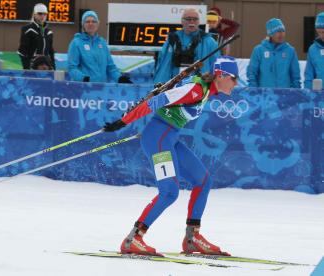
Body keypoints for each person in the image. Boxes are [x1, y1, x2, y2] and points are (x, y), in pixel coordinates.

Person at [103, 56, 239, 256]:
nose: (236, 83)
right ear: (221, 75)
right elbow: (156, 101)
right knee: (169, 192)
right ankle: (133, 238)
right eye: (234, 78)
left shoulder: (206, 90)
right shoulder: (196, 89)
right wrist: (124, 122)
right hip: (157, 139)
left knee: (203, 180)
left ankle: (192, 238)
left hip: (169, 138)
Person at [153, 9, 219, 84]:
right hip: (174, 86)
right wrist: (161, 84)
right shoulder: (172, 40)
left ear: (199, 22)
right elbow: (164, 66)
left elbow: (216, 66)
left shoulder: (209, 41)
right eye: (188, 19)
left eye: (195, 19)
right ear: (182, 21)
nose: (192, 21)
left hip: (200, 86)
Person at [67, 10, 132, 83]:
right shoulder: (76, 43)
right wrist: (83, 78)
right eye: (87, 21)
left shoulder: (102, 43)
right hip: (84, 88)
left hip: (101, 88)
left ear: (98, 24)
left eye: (93, 21)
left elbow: (110, 67)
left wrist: (120, 78)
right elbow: (72, 68)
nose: (90, 24)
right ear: (83, 24)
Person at [247, 18, 300, 88]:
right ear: (270, 34)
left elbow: (295, 76)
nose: (281, 34)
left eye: (283, 31)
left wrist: (295, 93)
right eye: (278, 32)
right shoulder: (259, 50)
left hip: (285, 95)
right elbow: (252, 73)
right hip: (264, 95)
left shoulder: (290, 51)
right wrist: (254, 90)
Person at [17, 3, 55, 70]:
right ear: (34, 14)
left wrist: (53, 68)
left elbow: (51, 51)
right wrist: (27, 68)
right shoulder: (28, 29)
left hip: (46, 66)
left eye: (45, 14)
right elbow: (22, 51)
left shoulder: (49, 32)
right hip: (32, 66)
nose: (42, 16)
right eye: (40, 13)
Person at [304, 12, 324, 90]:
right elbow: (309, 74)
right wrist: (308, 93)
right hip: (319, 94)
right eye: (319, 32)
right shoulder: (312, 49)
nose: (322, 35)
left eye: (323, 32)